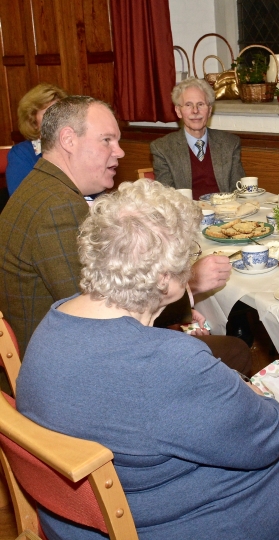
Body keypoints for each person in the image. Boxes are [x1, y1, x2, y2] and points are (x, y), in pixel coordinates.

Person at [15, 179, 279, 539]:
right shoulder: (168, 362)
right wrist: (259, 397)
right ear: (165, 280)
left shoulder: (53, 322)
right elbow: (266, 441)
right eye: (188, 260)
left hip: (73, 517)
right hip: (150, 522)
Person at [0, 96, 249, 374]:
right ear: (68, 140)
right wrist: (189, 284)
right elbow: (103, 315)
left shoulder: (41, 187)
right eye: (107, 140)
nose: (119, 152)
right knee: (235, 351)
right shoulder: (58, 207)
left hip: (60, 349)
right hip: (76, 366)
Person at [150, 77, 245, 199]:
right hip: (187, 215)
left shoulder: (230, 143)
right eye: (188, 105)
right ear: (178, 111)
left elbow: (239, 191)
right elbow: (167, 197)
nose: (195, 111)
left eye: (200, 104)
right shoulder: (162, 148)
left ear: (209, 110)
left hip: (226, 213)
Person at [6, 83, 67, 195]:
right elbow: (22, 200)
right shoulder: (22, 154)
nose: (57, 119)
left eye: (60, 113)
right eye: (48, 114)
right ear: (33, 122)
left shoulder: (76, 146)